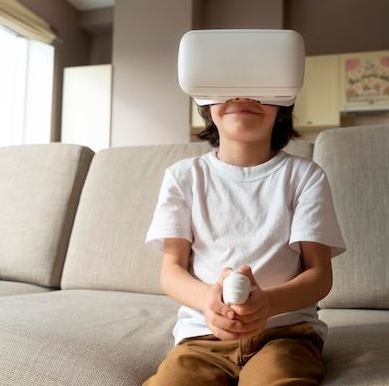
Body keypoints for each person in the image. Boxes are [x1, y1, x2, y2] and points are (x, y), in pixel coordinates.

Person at [143, 94, 346, 385]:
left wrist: (267, 304)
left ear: (282, 107)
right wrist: (208, 303)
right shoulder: (182, 176)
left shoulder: (304, 177)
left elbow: (320, 275)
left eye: (261, 89)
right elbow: (172, 269)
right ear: (206, 104)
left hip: (286, 335)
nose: (242, 96)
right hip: (202, 338)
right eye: (227, 88)